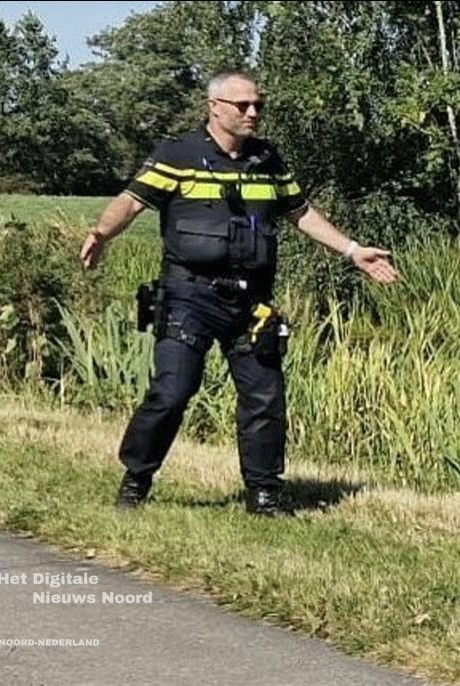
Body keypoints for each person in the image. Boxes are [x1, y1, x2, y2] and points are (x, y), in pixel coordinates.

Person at [80, 70, 399, 516]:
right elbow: (132, 200)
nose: (253, 113)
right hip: (188, 295)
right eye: (242, 105)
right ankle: (136, 480)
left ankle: (265, 495)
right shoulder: (179, 155)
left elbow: (301, 213)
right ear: (214, 107)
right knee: (172, 392)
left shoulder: (267, 159)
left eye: (258, 105)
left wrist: (352, 251)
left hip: (252, 301)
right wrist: (101, 233)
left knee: (265, 397)